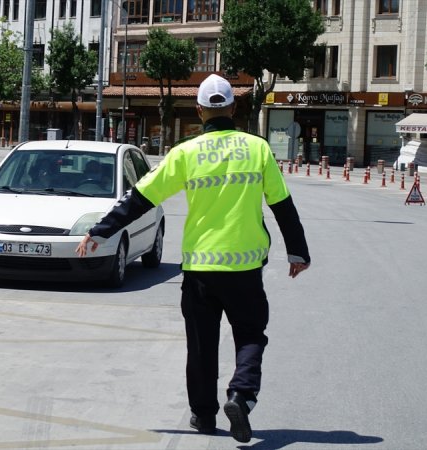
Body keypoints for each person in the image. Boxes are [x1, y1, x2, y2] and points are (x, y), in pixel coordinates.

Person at [75, 74, 310, 443]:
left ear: (199, 111)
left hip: (200, 269)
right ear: (234, 107)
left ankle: (203, 416)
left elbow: (142, 197)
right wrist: (298, 251)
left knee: (201, 344)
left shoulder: (185, 153)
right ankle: (241, 396)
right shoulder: (257, 149)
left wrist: (102, 230)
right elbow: (282, 205)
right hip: (244, 268)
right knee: (250, 335)